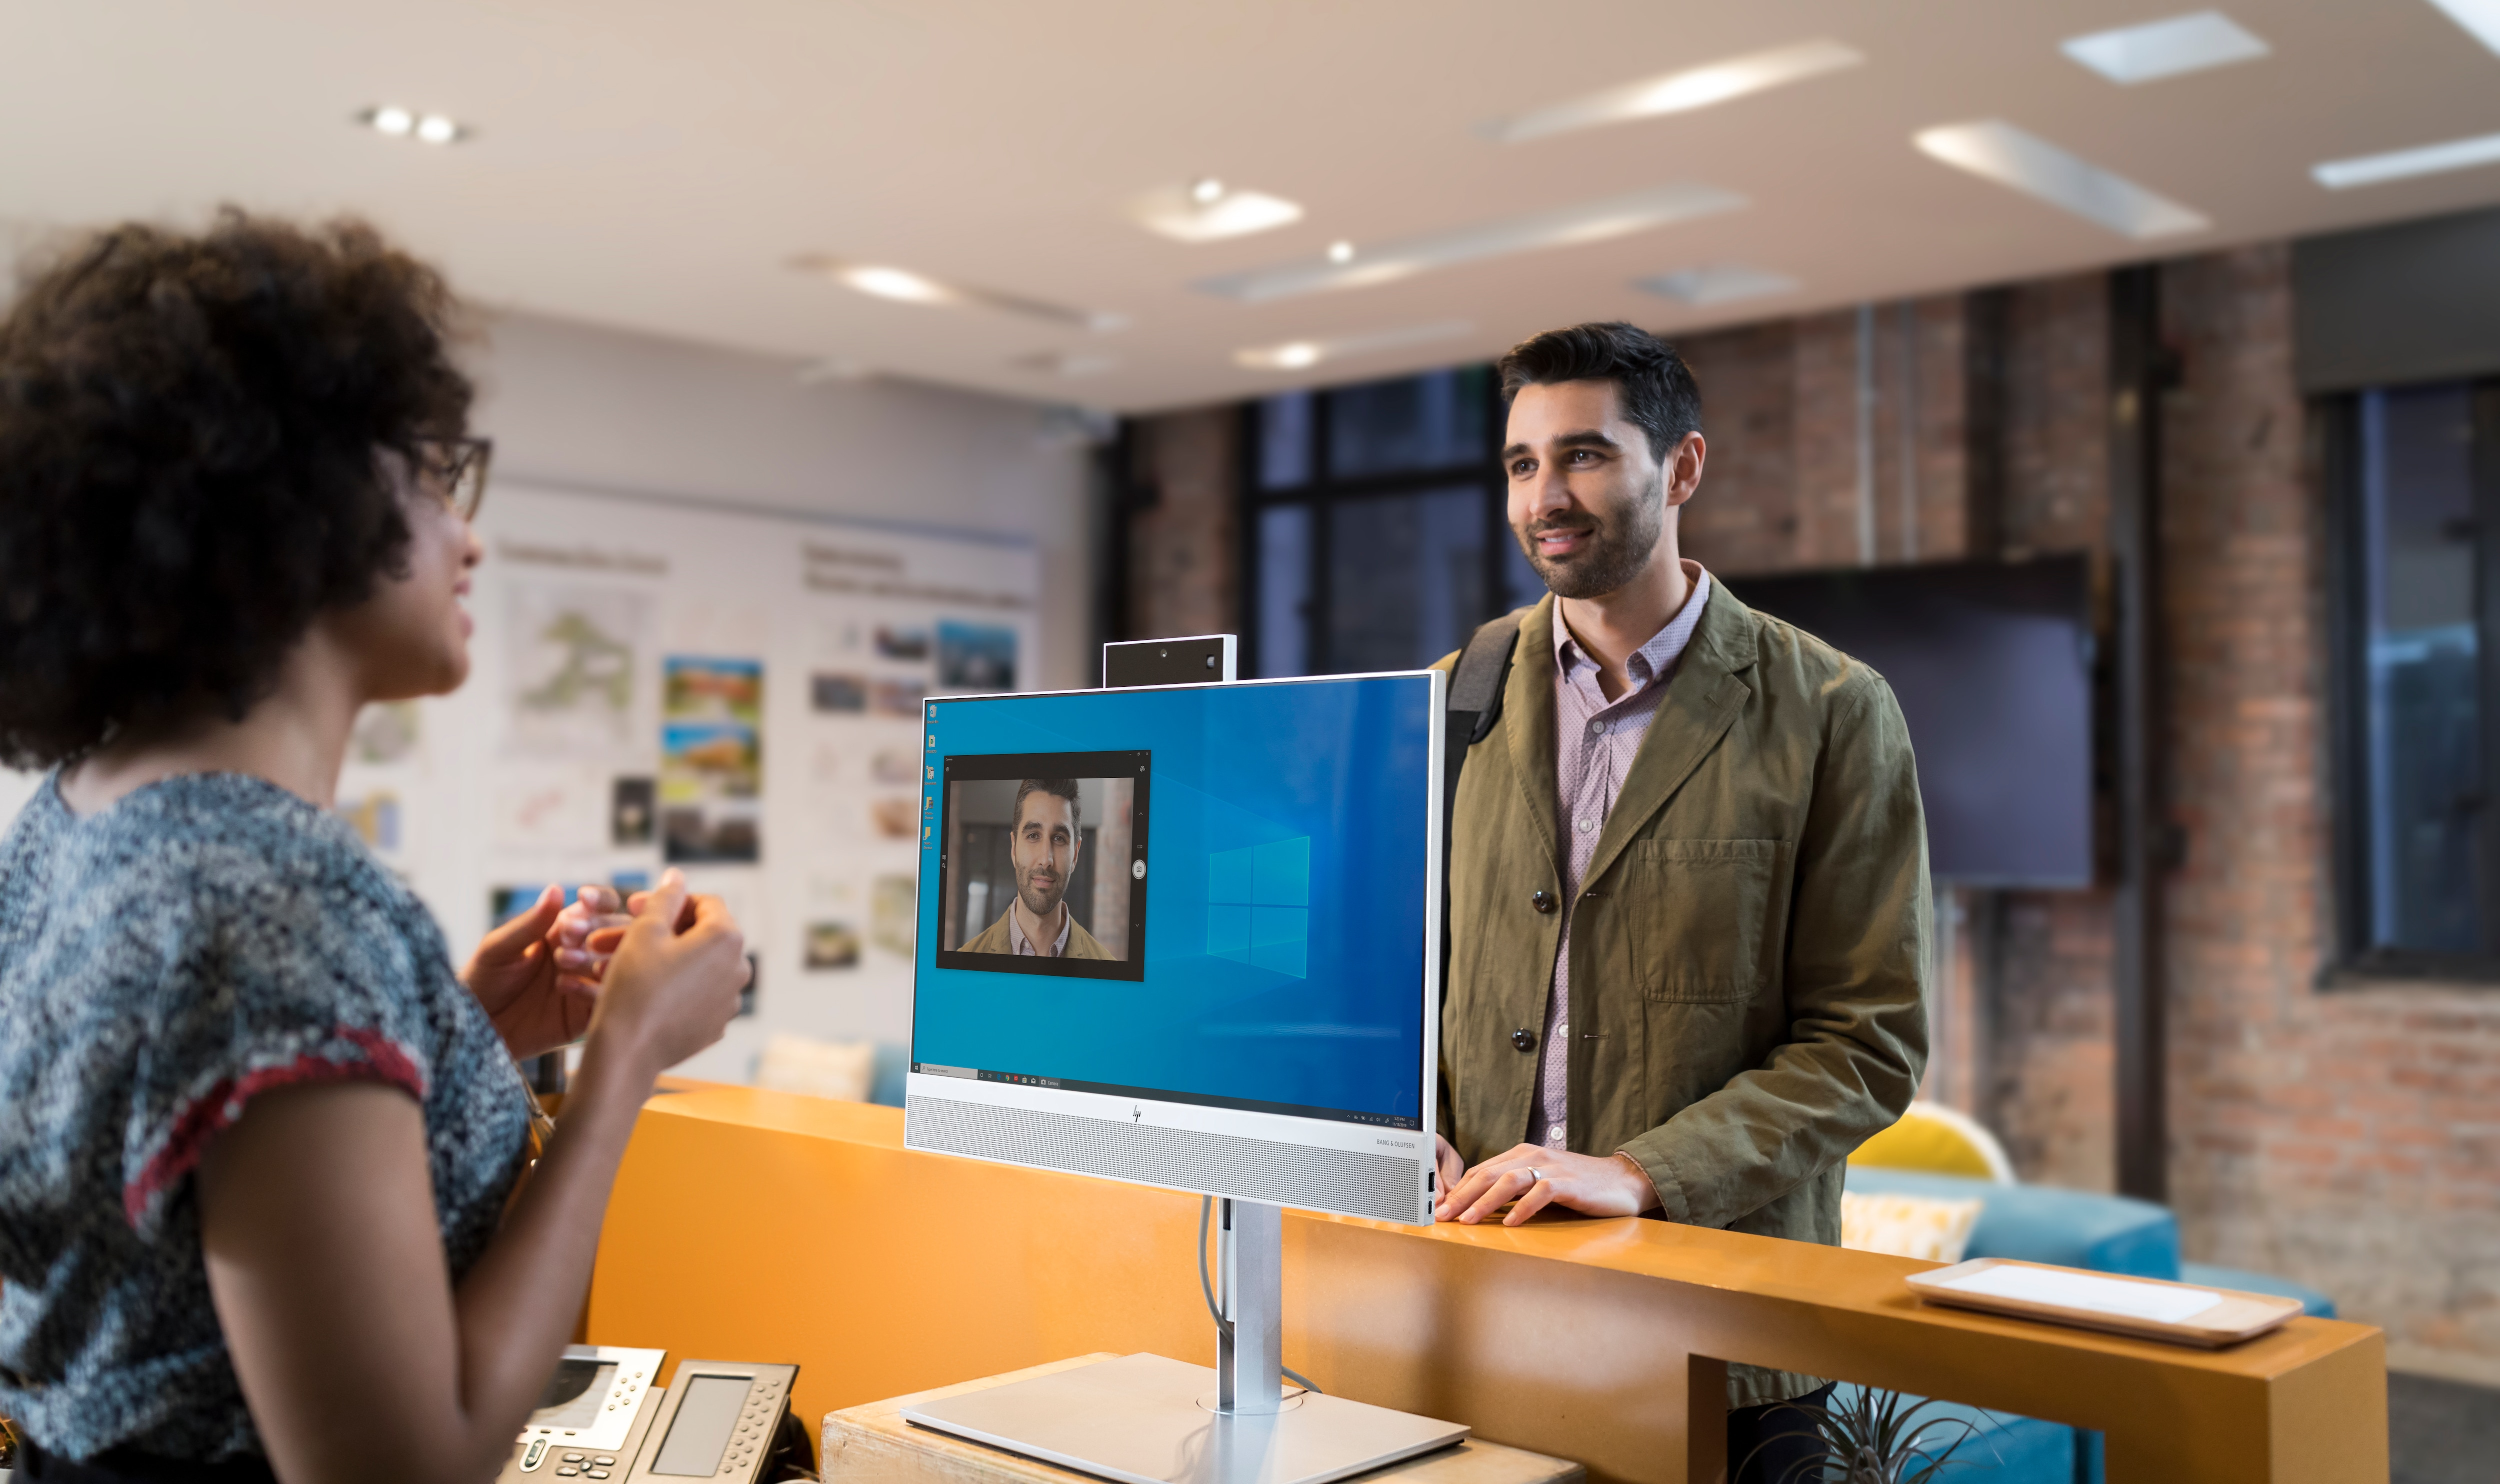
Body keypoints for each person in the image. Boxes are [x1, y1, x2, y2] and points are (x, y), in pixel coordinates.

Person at [0, 213, 752, 1484]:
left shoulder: (78, 815)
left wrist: (451, 1032)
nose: (470, 536)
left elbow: (185, 1195)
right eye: (434, 475)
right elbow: (408, 1464)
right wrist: (623, 1058)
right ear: (303, 500)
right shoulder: (276, 900)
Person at [1428, 323, 1930, 1481]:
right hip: (1472, 1301)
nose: (1545, 496)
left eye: (1585, 454)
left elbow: (1868, 1041)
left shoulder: (1832, 709)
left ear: (1683, 467)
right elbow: (1400, 966)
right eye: (1522, 463)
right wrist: (1405, 1119)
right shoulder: (1454, 696)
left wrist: (1643, 1170)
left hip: (1723, 1331)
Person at [958, 779, 1115, 959]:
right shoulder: (965, 961)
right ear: (1014, 848)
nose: (1046, 860)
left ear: (1075, 855)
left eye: (1059, 838)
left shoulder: (1107, 968)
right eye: (1033, 836)